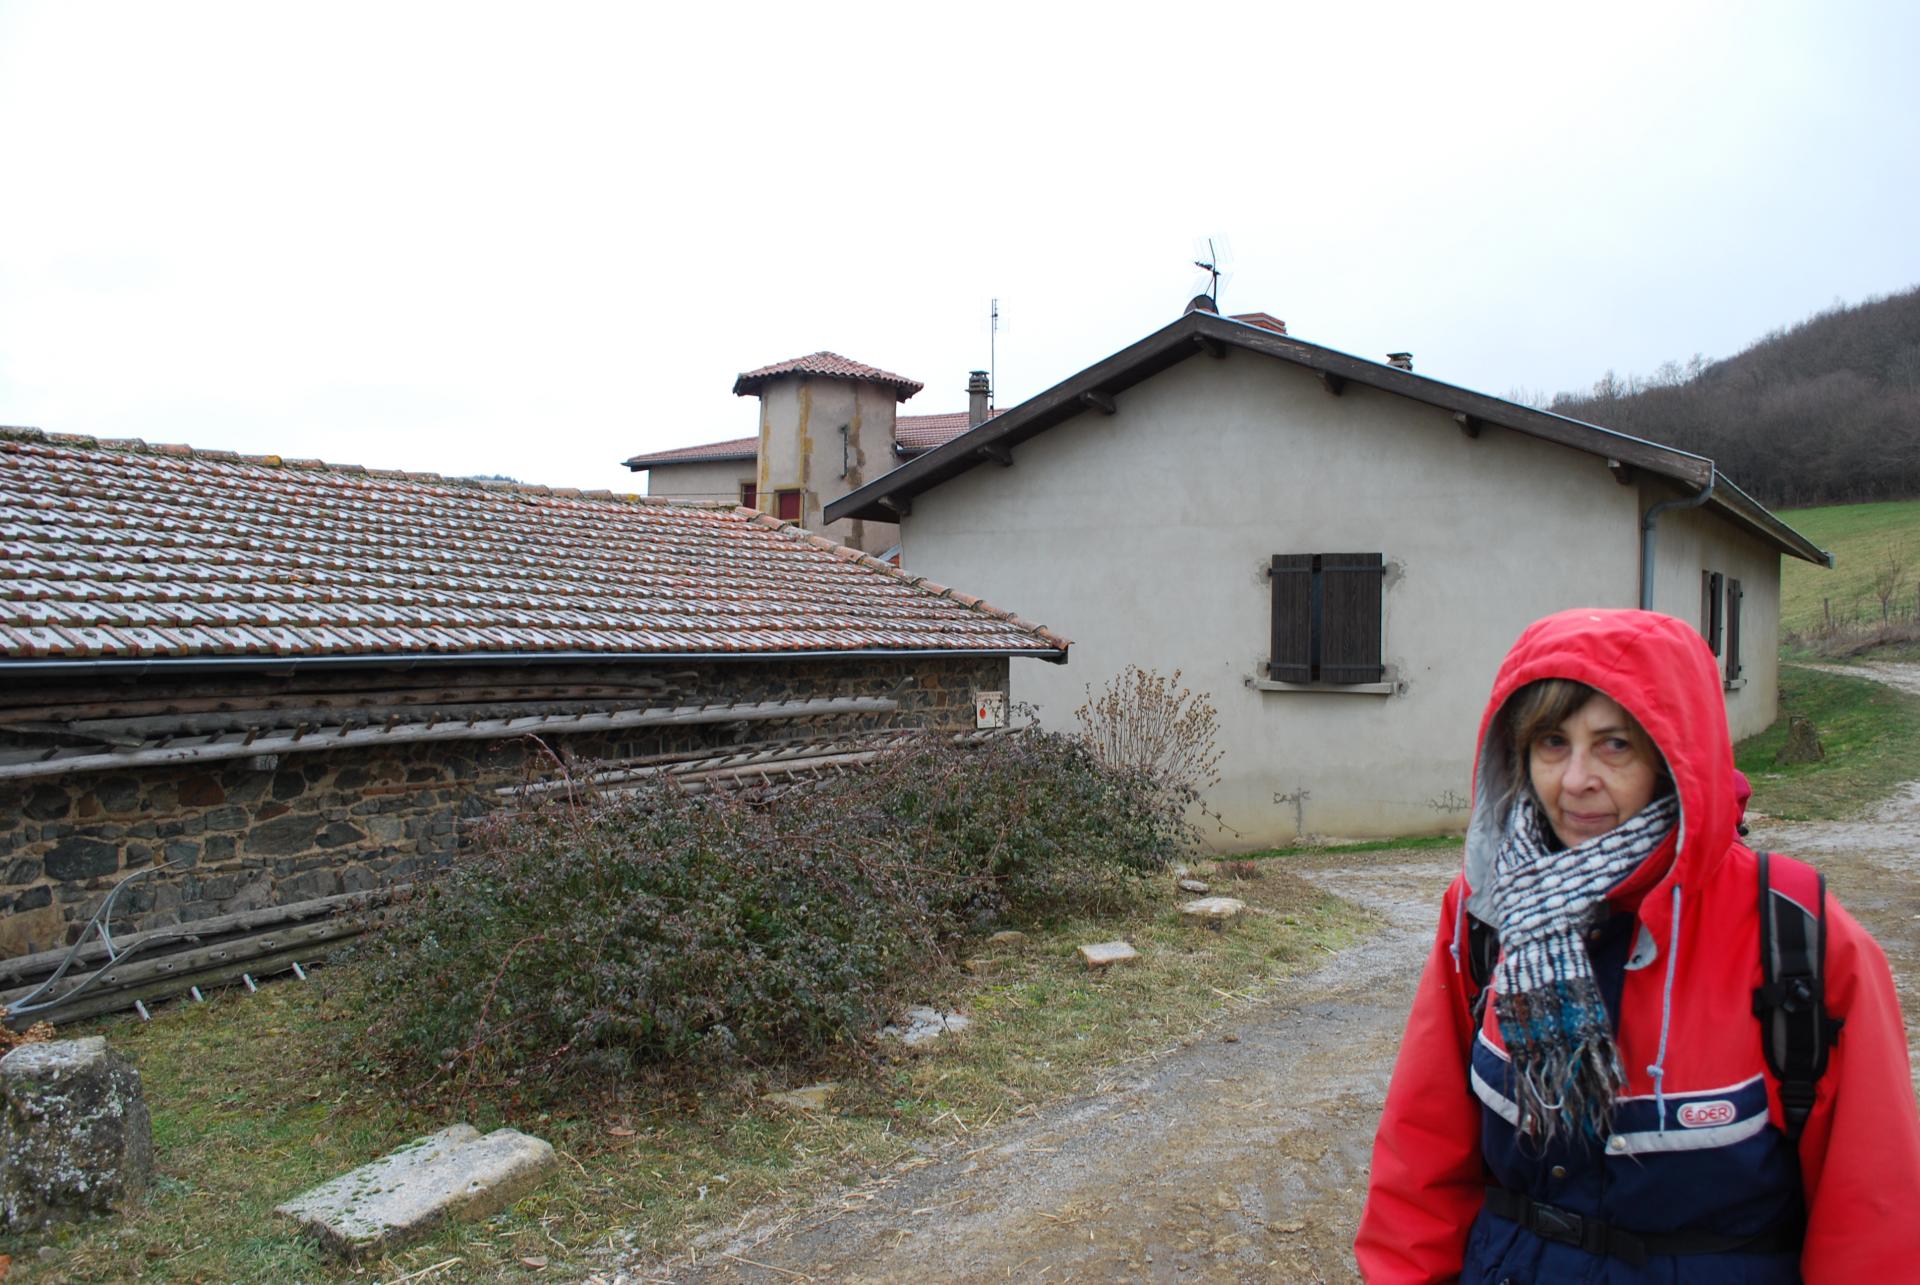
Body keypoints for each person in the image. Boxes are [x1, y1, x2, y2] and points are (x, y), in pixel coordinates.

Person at [1355, 608, 1920, 1282]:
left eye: (1614, 744)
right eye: (1553, 742)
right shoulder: (1486, 914)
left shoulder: (1796, 934)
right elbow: (1420, 1159)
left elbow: (1873, 1217)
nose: (1575, 780)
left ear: (1672, 753)